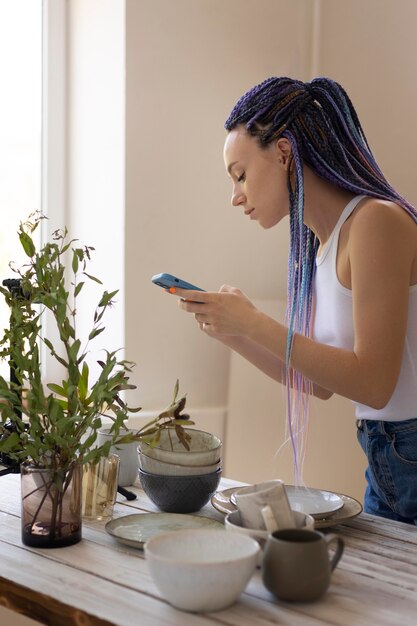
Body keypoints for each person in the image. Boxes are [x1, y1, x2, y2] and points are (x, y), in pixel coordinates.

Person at [172, 76, 417, 524]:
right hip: (387, 455)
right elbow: (318, 383)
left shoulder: (376, 223)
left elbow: (375, 383)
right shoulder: (321, 245)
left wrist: (253, 323)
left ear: (284, 152)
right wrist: (233, 332)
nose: (235, 196)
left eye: (240, 175)